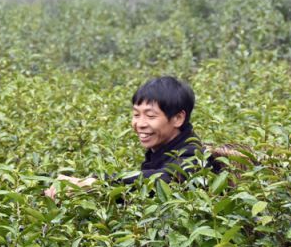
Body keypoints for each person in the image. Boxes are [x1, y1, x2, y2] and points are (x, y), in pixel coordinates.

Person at [44, 76, 220, 198]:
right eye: (136, 115)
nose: (140, 124)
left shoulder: (194, 156)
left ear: (178, 118)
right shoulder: (160, 151)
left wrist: (94, 184)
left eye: (150, 116)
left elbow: (163, 180)